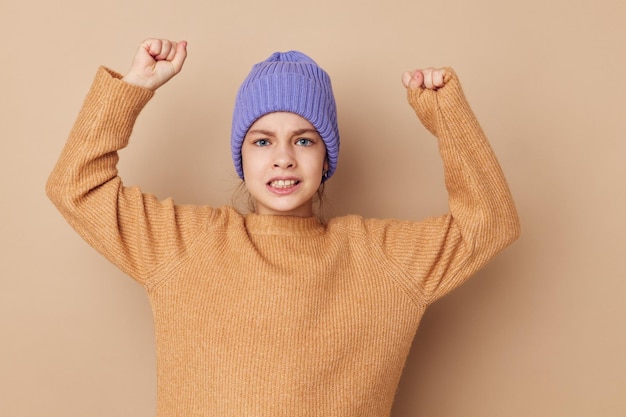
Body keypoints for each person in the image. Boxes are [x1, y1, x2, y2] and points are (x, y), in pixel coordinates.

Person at [47, 38, 520, 417]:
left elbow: (491, 223)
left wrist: (448, 117)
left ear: (326, 156)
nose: (283, 158)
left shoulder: (379, 257)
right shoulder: (184, 244)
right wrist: (133, 88)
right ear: (242, 156)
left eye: (304, 139)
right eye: (262, 140)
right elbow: (75, 186)